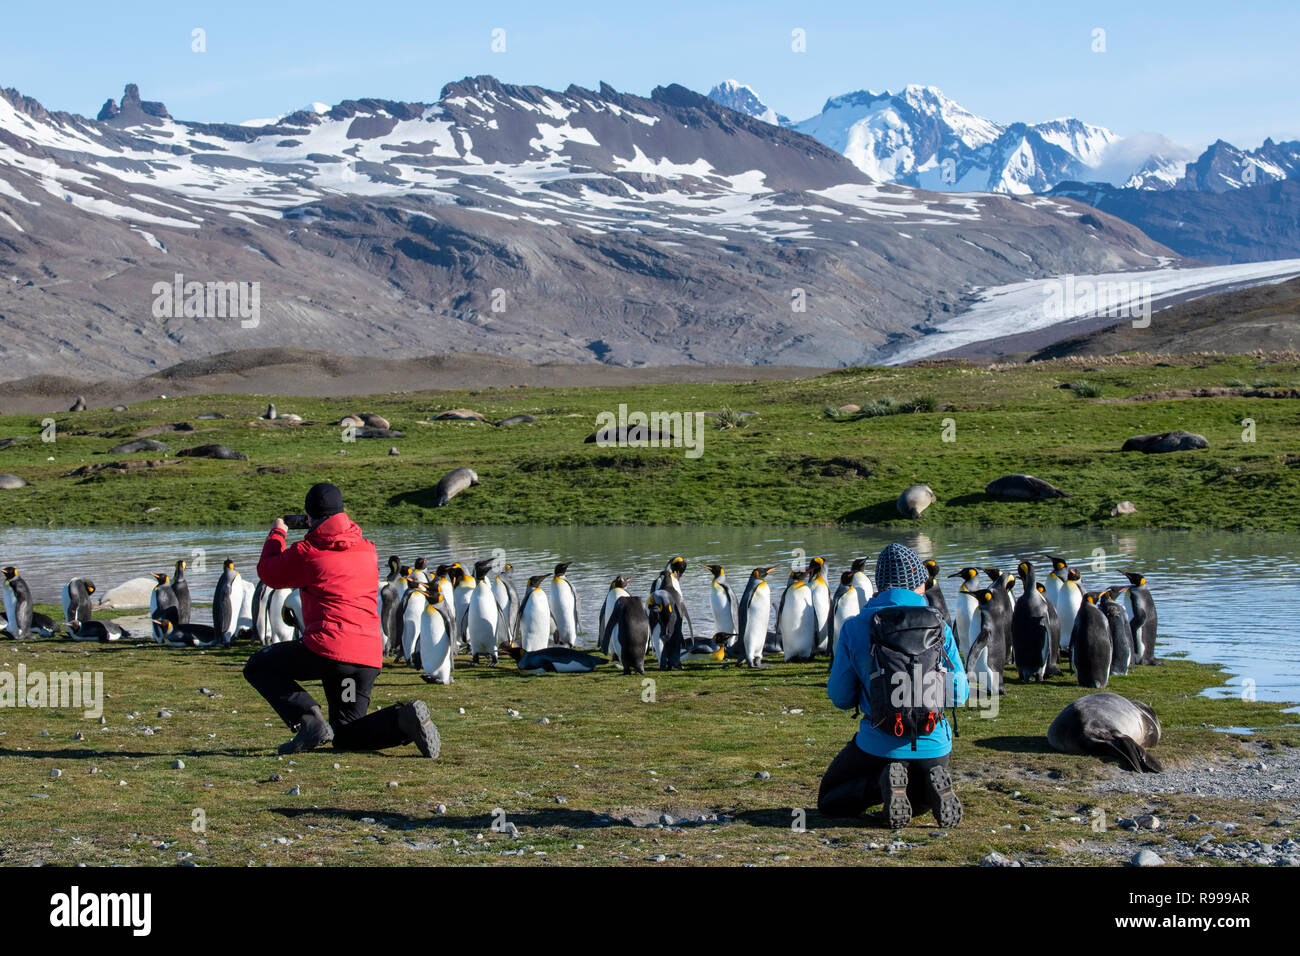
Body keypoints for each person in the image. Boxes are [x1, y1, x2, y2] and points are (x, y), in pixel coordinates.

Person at [243, 482, 440, 757]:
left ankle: (309, 722)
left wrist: (278, 531)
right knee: (347, 731)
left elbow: (268, 572)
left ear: (309, 517)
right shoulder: (367, 549)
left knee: (259, 666)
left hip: (328, 653)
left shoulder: (309, 553)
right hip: (361, 661)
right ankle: (404, 720)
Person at [819, 543, 968, 827]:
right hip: (934, 747)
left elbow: (839, 696)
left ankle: (882, 783)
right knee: (921, 798)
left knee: (830, 800)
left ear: (881, 584)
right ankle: (927, 786)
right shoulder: (939, 625)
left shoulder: (856, 625)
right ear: (918, 583)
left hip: (878, 745)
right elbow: (960, 694)